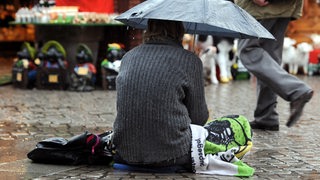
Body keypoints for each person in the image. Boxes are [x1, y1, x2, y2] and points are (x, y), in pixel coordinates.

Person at [112, 19, 209, 171]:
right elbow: (199, 118)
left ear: (149, 27)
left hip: (125, 151)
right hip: (172, 152)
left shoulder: (128, 57)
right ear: (179, 29)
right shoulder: (190, 61)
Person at [234, 0, 313, 131]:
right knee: (269, 59)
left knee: (248, 50)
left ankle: (297, 90)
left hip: (261, 7)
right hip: (284, 7)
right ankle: (266, 116)